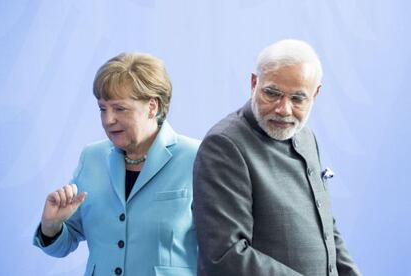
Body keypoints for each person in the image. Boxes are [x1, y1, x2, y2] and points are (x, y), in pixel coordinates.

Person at [193, 39, 361, 276]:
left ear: (316, 94)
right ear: (254, 83)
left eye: (298, 99)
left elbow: (325, 225)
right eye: (272, 93)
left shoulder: (305, 136)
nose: (284, 109)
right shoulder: (224, 145)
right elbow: (226, 255)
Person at [33, 53, 199, 276]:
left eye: (119, 109)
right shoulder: (92, 158)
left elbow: (221, 247)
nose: (108, 120)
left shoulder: (196, 157)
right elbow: (65, 242)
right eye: (103, 108)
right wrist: (51, 226)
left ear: (152, 107)